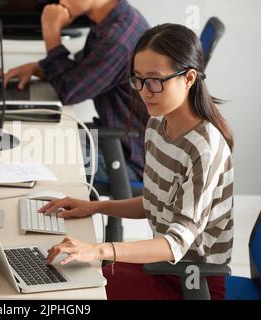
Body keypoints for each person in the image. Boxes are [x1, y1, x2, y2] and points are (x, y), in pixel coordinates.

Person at [39, 23, 234, 300]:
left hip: (191, 284)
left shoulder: (205, 147)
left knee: (74, 290)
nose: (144, 91)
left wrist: (100, 249)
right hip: (162, 268)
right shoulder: (157, 124)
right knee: (62, 272)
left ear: (189, 78)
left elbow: (175, 243)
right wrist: (94, 206)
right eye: (138, 79)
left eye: (155, 81)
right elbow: (154, 201)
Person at [4, 0, 150, 182]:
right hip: (112, 140)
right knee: (27, 137)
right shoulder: (113, 21)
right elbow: (77, 72)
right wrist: (36, 68)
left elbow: (69, 91)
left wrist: (51, 31)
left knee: (27, 151)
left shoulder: (117, 40)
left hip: (126, 157)